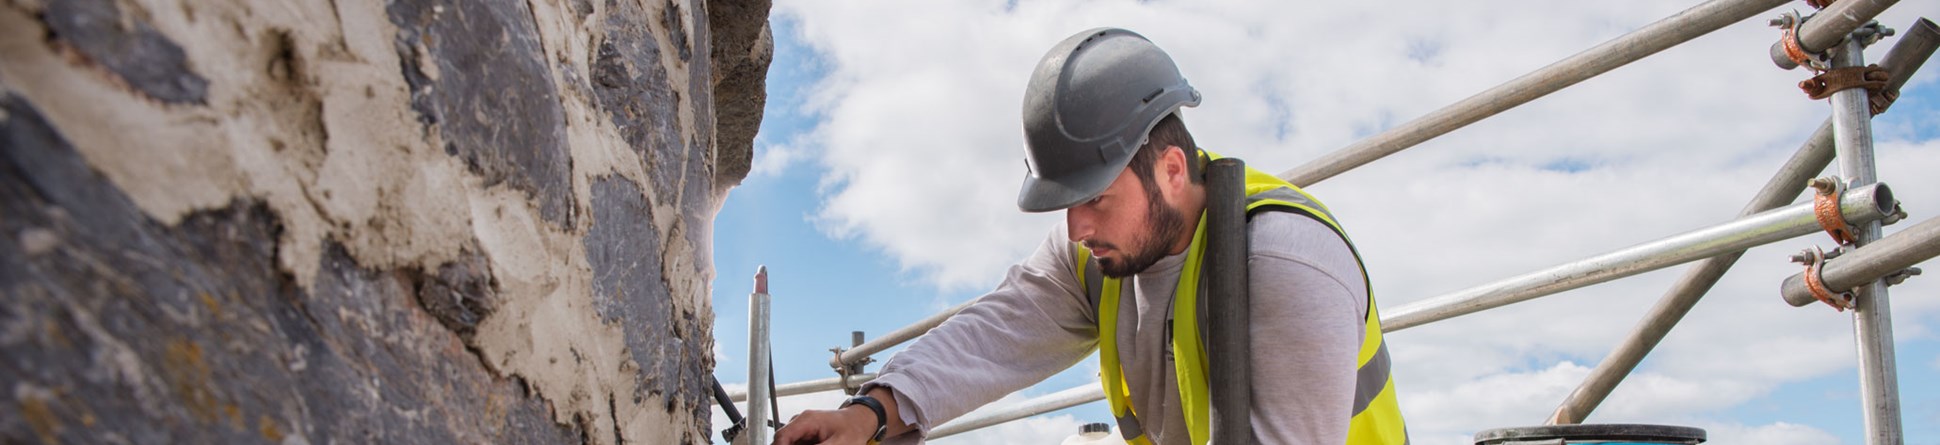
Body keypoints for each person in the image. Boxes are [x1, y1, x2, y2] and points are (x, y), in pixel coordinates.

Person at [775, 28, 1408, 445]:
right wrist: (871, 413)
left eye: (1096, 199)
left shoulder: (1285, 264)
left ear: (1171, 170)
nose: (1077, 228)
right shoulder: (1096, 256)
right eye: (1065, 204)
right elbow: (992, 337)